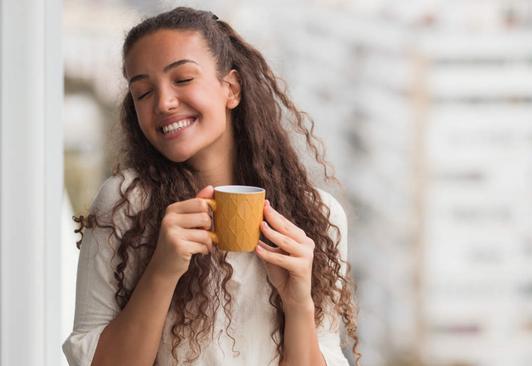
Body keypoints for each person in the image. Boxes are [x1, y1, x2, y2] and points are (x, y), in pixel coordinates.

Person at [62, 7, 359, 366]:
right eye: (142, 92)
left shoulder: (318, 218)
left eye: (183, 79)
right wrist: (163, 268)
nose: (164, 102)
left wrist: (297, 302)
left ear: (230, 88)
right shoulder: (124, 204)